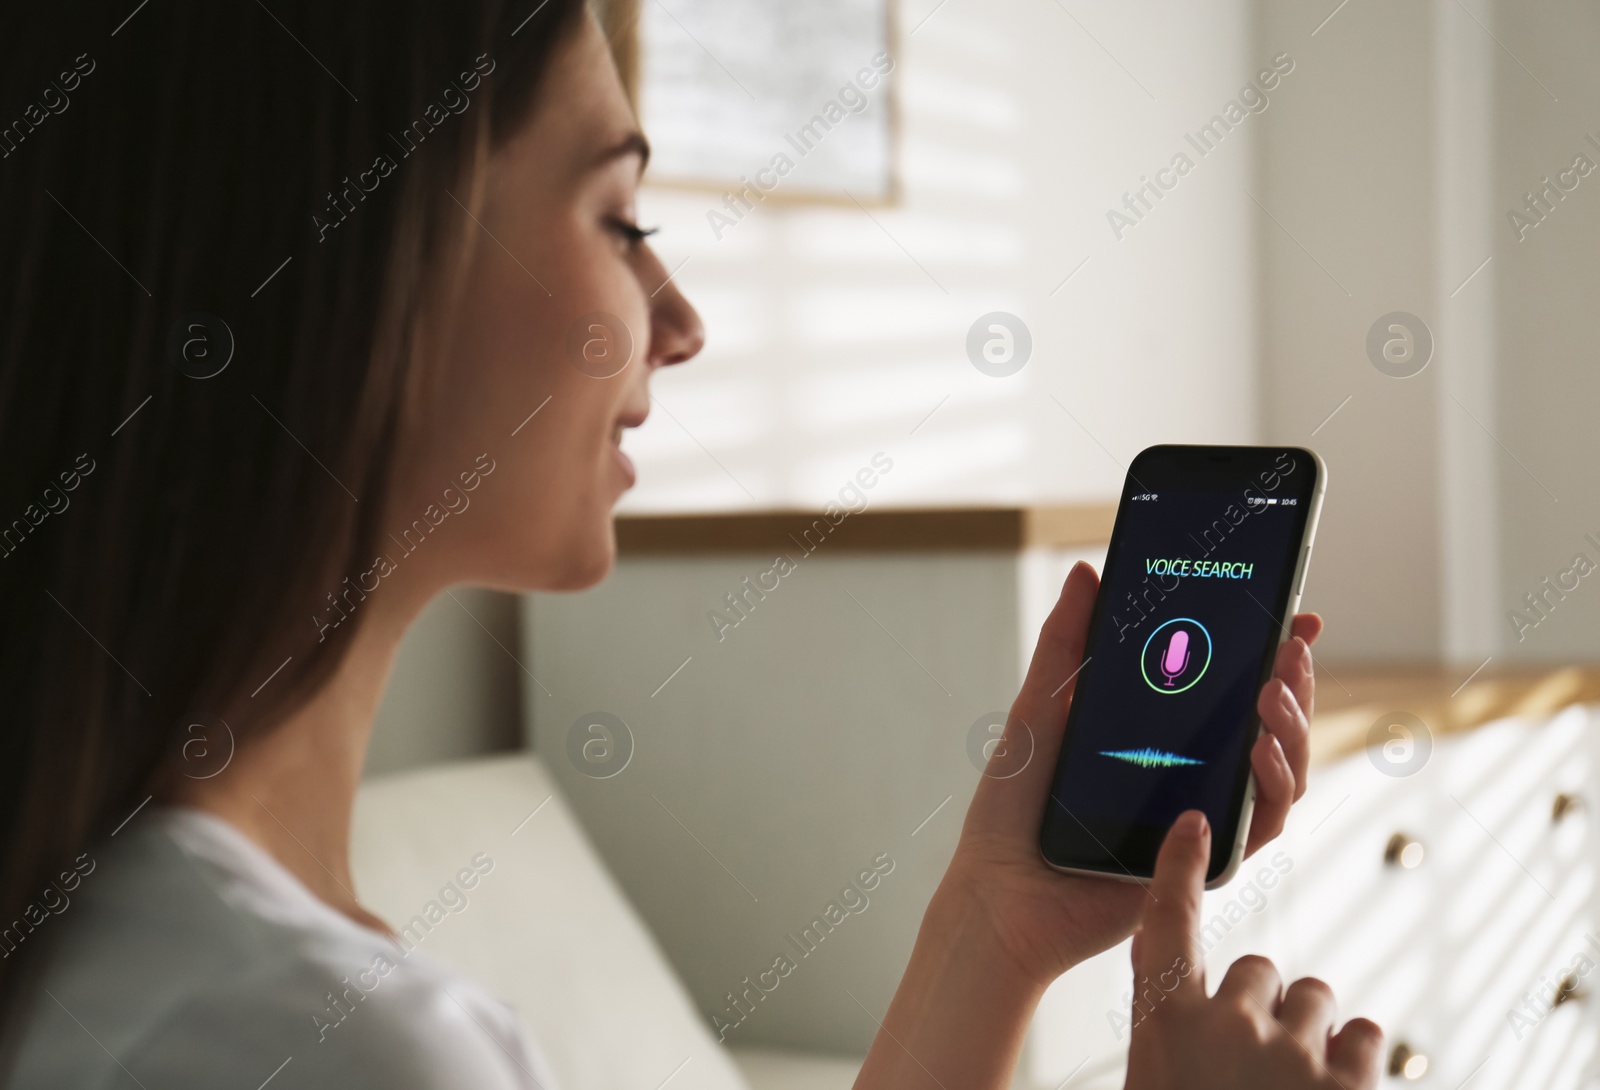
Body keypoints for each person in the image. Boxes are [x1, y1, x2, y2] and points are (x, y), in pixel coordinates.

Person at [0, 3, 1381, 1087]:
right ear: (366, 260)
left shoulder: (149, 930)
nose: (681, 317)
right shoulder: (322, 1047)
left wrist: (994, 924)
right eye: (621, 219)